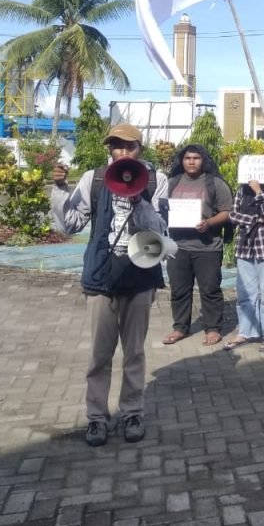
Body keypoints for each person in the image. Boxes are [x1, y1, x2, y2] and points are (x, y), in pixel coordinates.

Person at [50, 123, 169, 447]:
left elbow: (161, 230)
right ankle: (97, 417)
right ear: (110, 149)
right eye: (117, 146)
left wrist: (138, 198)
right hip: (101, 277)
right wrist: (60, 189)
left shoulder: (155, 180)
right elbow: (71, 224)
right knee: (100, 354)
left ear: (140, 149)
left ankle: (132, 412)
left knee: (134, 352)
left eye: (130, 146)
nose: (123, 152)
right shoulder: (95, 178)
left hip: (139, 278)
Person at [162, 144, 234, 347]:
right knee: (179, 290)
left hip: (207, 247)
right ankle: (180, 327)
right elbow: (160, 208)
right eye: (187, 158)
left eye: (196, 158)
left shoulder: (215, 183)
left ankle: (213, 329)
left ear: (204, 160)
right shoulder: (171, 183)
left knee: (210, 290)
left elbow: (227, 211)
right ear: (181, 161)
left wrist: (209, 223)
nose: (191, 161)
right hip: (177, 247)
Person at [223, 178, 264, 353]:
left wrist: (258, 192)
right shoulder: (242, 190)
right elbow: (233, 215)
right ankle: (246, 332)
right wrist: (255, 219)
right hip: (245, 247)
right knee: (245, 294)